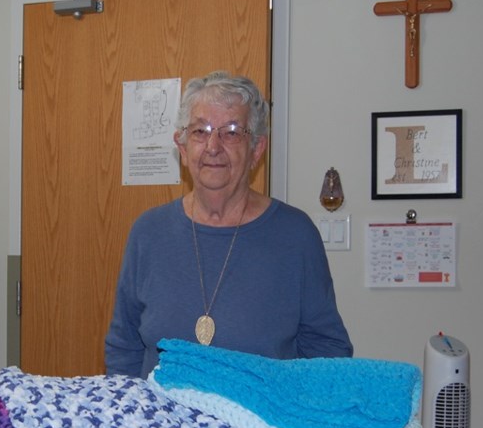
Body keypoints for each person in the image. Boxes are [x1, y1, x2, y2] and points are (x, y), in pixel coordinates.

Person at [105, 71, 353, 379]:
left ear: (257, 149)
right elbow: (123, 346)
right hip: (160, 424)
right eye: (200, 131)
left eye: (232, 132)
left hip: (257, 423)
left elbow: (326, 350)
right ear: (182, 148)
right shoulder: (148, 232)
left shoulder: (296, 236)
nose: (213, 146)